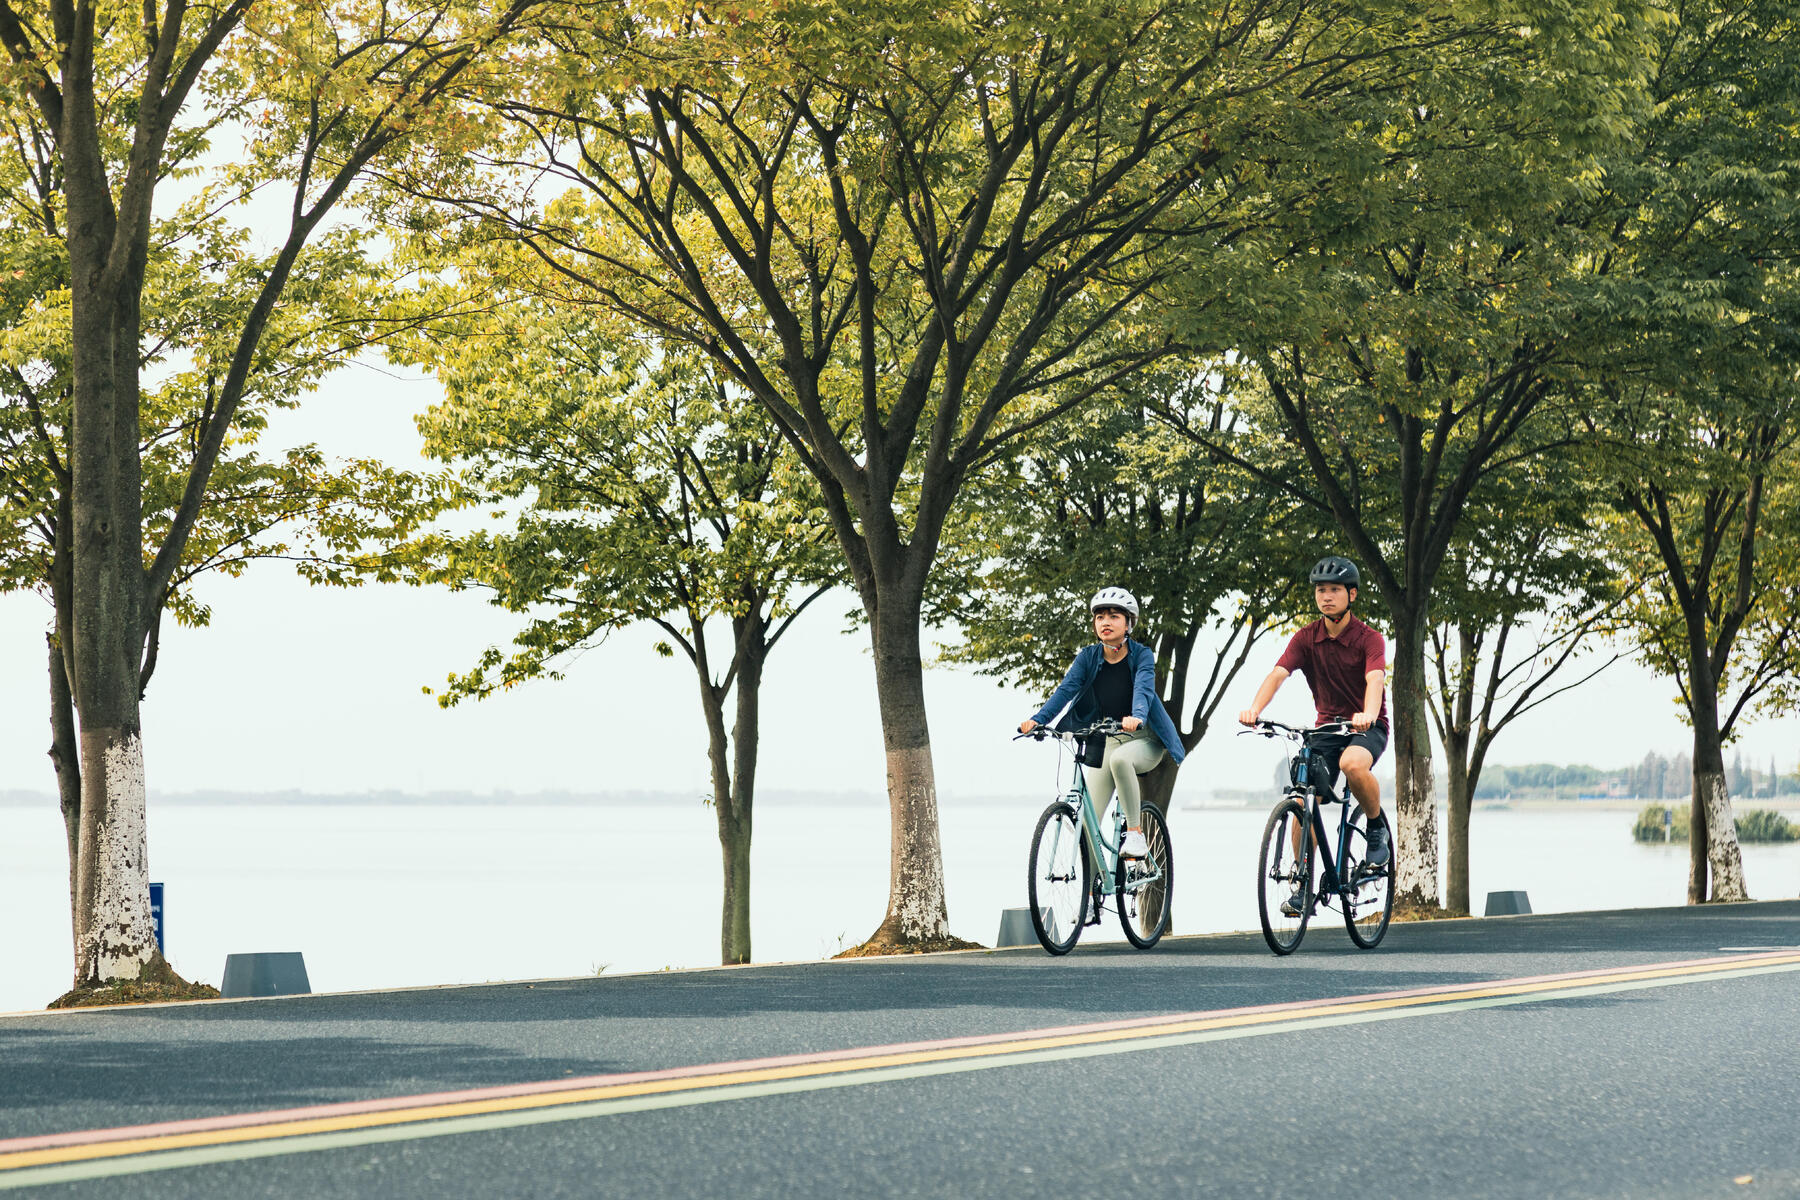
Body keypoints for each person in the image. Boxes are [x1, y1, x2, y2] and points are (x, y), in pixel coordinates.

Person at [1237, 556, 1391, 913]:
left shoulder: (1370, 639)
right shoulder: (1307, 637)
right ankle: (1302, 884)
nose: (1326, 596)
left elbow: (1375, 680)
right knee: (1302, 803)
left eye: (1335, 590)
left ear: (1351, 594)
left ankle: (1375, 825)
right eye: (1321, 590)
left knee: (1353, 765)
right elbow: (1278, 674)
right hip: (1325, 728)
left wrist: (1367, 714)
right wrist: (1255, 710)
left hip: (1367, 727)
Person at [1019, 588, 1186, 857]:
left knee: (1121, 760)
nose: (1105, 622)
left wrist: (1138, 717)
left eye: (1113, 616)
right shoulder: (1088, 657)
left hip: (1145, 740)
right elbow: (1065, 691)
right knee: (1086, 827)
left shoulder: (1142, 655)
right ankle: (1093, 893)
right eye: (1099, 617)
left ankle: (1134, 834)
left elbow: (1144, 688)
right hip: (1107, 742)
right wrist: (1038, 721)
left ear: (1129, 622)